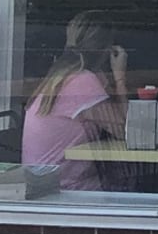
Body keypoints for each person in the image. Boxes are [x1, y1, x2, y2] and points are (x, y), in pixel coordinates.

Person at [23, 10, 129, 191]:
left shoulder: (62, 75)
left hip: (44, 185)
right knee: (137, 187)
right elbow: (124, 131)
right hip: (68, 189)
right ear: (106, 50)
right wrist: (120, 77)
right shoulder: (83, 81)